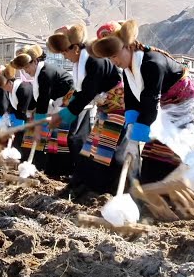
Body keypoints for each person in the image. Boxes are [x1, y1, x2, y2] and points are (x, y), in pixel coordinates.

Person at [90, 19, 194, 185]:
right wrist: (131, 126)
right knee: (152, 154)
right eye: (110, 58)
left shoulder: (152, 63)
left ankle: (176, 192)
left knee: (172, 153)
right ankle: (150, 190)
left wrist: (135, 138)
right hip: (159, 109)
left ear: (128, 46)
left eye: (115, 55)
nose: (114, 61)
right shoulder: (127, 69)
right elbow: (131, 100)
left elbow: (149, 102)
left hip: (184, 107)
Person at [47, 22, 132, 199]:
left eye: (65, 52)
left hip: (119, 109)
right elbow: (80, 92)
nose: (65, 57)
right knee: (90, 150)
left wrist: (66, 113)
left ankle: (111, 192)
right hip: (105, 109)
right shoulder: (81, 62)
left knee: (109, 153)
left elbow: (87, 93)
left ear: (76, 48)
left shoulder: (94, 59)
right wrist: (64, 109)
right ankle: (80, 185)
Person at [11, 44, 75, 176]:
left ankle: (62, 172)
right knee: (54, 140)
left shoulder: (45, 73)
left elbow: (43, 100)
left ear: (35, 61)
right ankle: (54, 171)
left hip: (71, 104)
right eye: (23, 68)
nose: (26, 71)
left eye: (27, 67)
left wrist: (38, 128)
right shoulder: (40, 74)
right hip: (60, 105)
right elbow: (40, 100)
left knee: (61, 139)